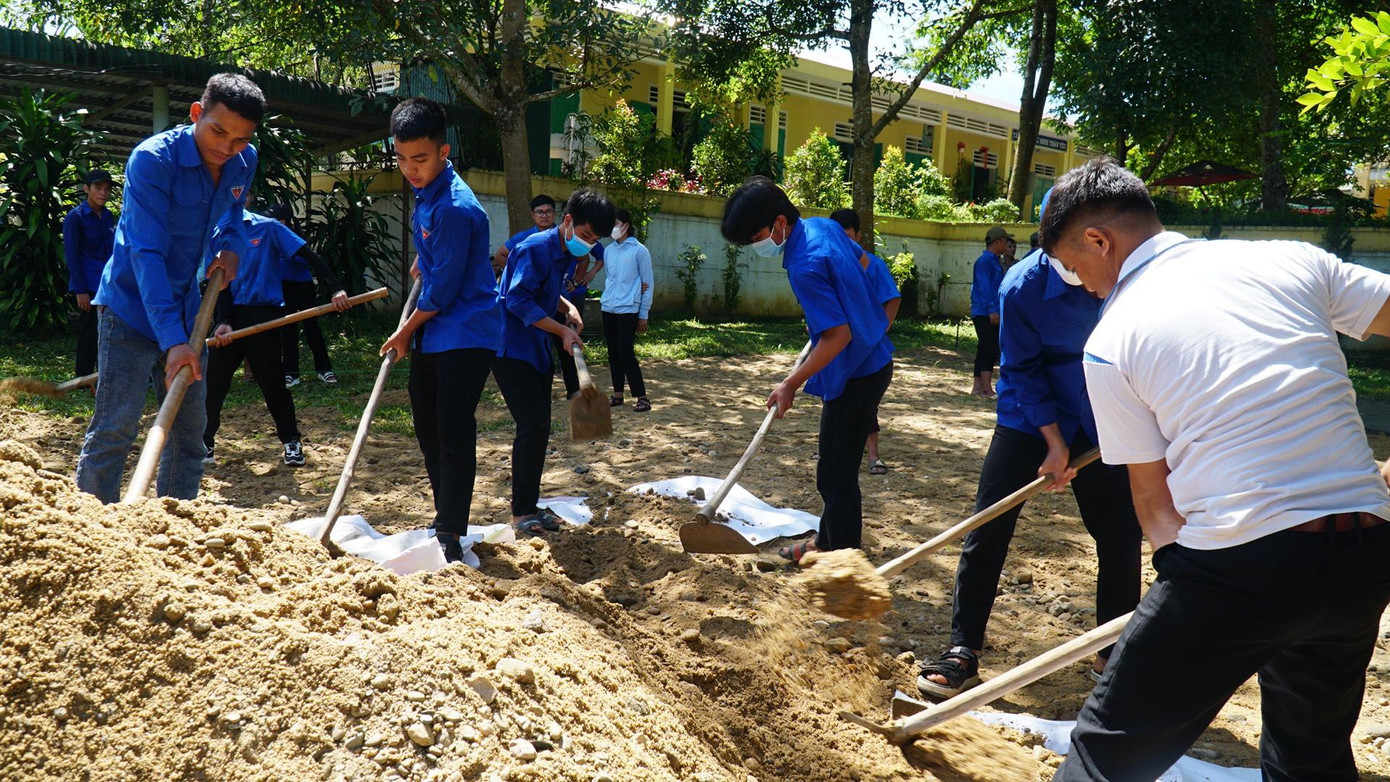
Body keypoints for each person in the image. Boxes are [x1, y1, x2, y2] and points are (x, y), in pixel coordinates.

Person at [1044, 158, 1390, 782]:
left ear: (1100, 241)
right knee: (1309, 759)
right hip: (1366, 553)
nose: (1083, 285)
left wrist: (1190, 594)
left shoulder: (1112, 337)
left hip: (1242, 562)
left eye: (1075, 269)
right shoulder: (1287, 259)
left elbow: (1153, 505)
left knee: (1104, 757)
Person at [916, 191, 1141, 700]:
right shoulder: (1021, 287)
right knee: (988, 526)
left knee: (1120, 533)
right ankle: (962, 650)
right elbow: (1021, 369)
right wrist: (1053, 443)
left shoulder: (1125, 275)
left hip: (1098, 416)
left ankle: (1114, 653)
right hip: (1027, 418)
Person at [74, 73, 261, 504]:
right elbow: (146, 254)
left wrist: (231, 249)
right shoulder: (152, 161)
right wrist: (175, 342)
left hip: (187, 307)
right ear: (197, 114)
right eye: (217, 131)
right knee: (115, 427)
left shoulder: (244, 160)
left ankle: (173, 526)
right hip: (129, 310)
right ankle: (88, 530)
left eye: (239, 139)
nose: (225, 148)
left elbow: (233, 213)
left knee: (188, 433)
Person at [721, 177, 893, 562]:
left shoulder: (804, 263)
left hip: (857, 373)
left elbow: (838, 336)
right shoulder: (823, 226)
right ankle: (827, 543)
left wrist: (789, 384)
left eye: (755, 235)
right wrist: (848, 305)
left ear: (779, 222)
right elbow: (867, 264)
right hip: (872, 361)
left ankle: (844, 566)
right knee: (836, 466)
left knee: (836, 475)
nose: (754, 245)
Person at [379, 98, 500, 564]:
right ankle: (443, 515)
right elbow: (439, 263)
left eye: (421, 159)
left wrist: (405, 331)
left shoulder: (452, 206)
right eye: (402, 159)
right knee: (427, 426)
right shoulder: (428, 193)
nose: (410, 169)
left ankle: (450, 528)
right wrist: (423, 260)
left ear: (443, 151)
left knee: (452, 430)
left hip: (466, 331)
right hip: (438, 329)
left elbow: (444, 293)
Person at [494, 188, 614, 537]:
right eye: (586, 235)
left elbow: (543, 290)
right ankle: (520, 514)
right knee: (532, 425)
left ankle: (529, 506)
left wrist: (567, 307)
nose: (588, 244)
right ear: (568, 222)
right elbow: (516, 298)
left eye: (595, 240)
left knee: (539, 427)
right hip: (509, 348)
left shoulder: (562, 251)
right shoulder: (535, 247)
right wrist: (562, 329)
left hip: (535, 348)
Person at [203, 208, 351, 467]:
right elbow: (219, 282)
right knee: (213, 383)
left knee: (272, 383)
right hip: (230, 318)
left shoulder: (268, 228)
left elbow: (308, 255)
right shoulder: (215, 231)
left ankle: (291, 442)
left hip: (265, 316)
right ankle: (204, 444)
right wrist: (223, 321)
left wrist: (336, 287)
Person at [829, 208, 901, 475]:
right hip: (837, 352)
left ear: (858, 236)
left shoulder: (872, 265)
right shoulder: (829, 265)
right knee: (835, 403)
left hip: (869, 356)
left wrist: (878, 331)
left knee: (866, 408)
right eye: (838, 236)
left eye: (848, 236)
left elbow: (892, 298)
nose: (843, 243)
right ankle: (834, 449)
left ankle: (873, 456)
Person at [275, 204, 348, 388]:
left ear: (283, 221)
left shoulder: (292, 237)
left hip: (303, 287)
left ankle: (324, 370)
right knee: (288, 330)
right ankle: (291, 373)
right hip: (284, 288)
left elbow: (312, 260)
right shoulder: (273, 236)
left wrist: (335, 287)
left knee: (312, 328)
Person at [63, 169, 117, 378]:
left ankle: (102, 373)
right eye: (98, 188)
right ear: (86, 189)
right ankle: (83, 376)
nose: (103, 193)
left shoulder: (108, 216)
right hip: (89, 284)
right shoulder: (75, 218)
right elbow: (72, 255)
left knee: (108, 329)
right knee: (88, 330)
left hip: (109, 283)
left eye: (107, 189)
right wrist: (80, 290)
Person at [599, 208, 653, 411]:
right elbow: (611, 279)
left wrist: (643, 314)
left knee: (625, 351)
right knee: (612, 352)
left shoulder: (640, 250)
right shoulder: (609, 250)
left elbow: (648, 283)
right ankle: (618, 394)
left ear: (626, 225)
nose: (613, 229)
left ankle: (641, 396)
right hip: (608, 307)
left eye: (615, 224)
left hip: (628, 309)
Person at [970, 226, 1010, 398]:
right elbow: (985, 288)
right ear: (998, 241)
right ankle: (986, 388)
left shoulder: (993, 261)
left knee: (984, 347)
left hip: (986, 311)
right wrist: (992, 311)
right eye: (1005, 241)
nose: (1007, 244)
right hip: (985, 312)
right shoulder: (985, 262)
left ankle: (977, 386)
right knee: (989, 347)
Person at [493, 194, 556, 274]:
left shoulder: (562, 235)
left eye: (548, 211)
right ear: (533, 215)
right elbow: (499, 255)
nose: (544, 216)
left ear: (554, 213)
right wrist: (518, 276)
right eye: (539, 212)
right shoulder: (524, 237)